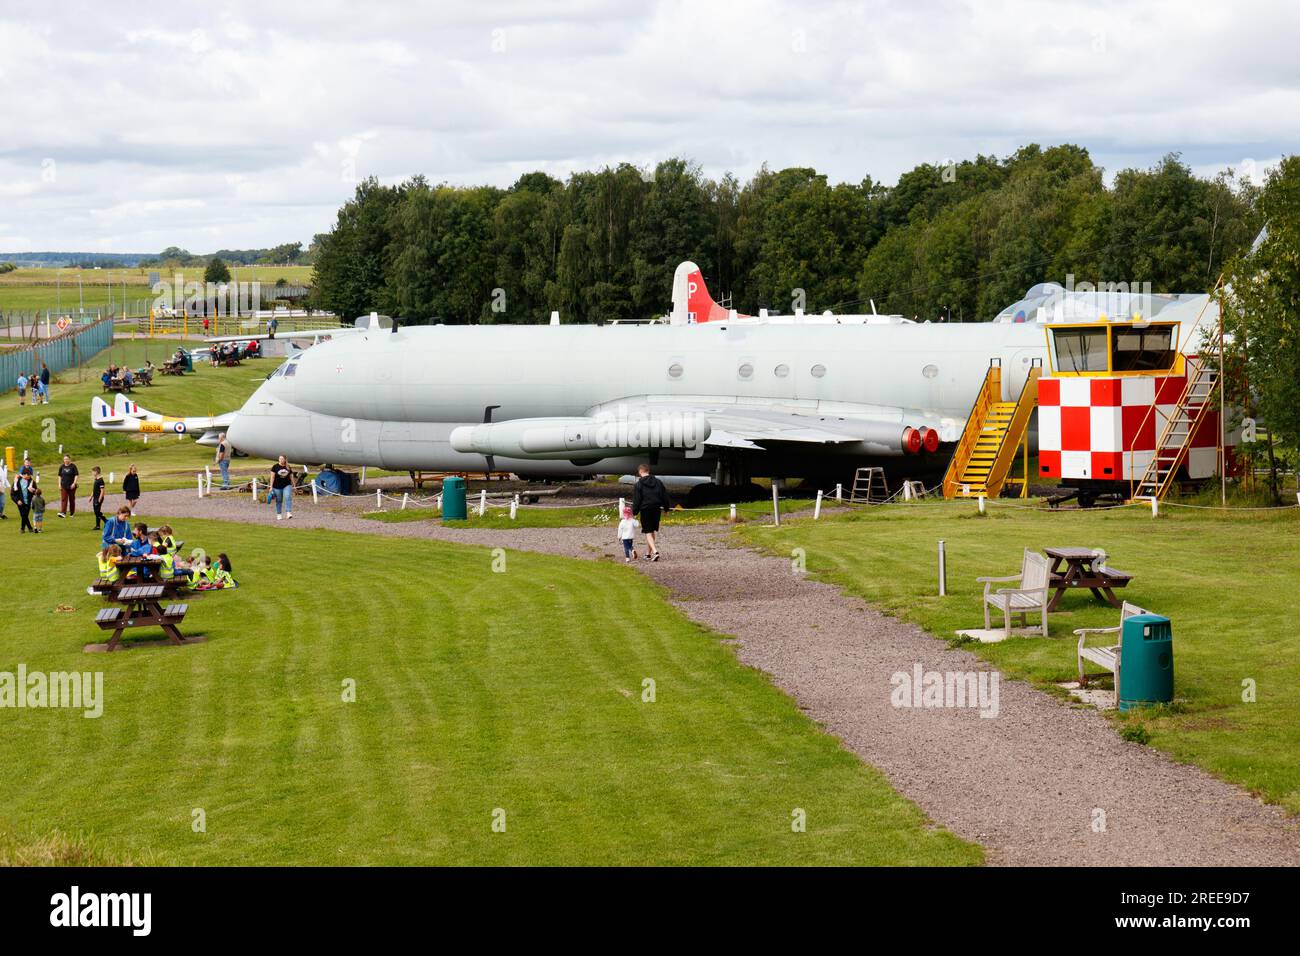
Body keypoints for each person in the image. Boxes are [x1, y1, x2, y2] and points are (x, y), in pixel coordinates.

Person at [631, 463, 671, 561]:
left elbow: (637, 500)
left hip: (645, 509)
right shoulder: (658, 482)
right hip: (656, 508)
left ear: (640, 472)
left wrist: (634, 512)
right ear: (648, 471)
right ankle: (648, 554)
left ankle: (655, 551)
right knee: (652, 530)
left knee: (647, 531)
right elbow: (664, 496)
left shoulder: (638, 484)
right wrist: (666, 509)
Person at [269, 455, 294, 520]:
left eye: (282, 459)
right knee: (279, 500)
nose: (280, 460)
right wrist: (271, 487)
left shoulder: (288, 467)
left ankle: (288, 512)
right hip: (277, 486)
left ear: (285, 460)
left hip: (287, 485)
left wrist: (294, 484)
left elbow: (291, 476)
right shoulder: (275, 467)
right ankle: (279, 514)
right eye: (280, 459)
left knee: (288, 497)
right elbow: (272, 477)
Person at [57, 454, 78, 518]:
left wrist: (74, 483)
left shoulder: (73, 466)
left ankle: (72, 513)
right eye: (65, 459)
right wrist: (59, 484)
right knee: (64, 499)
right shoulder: (62, 466)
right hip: (63, 485)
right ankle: (63, 513)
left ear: (69, 459)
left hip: (71, 486)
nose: (66, 460)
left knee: (71, 499)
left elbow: (76, 475)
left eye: (67, 459)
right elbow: (59, 476)